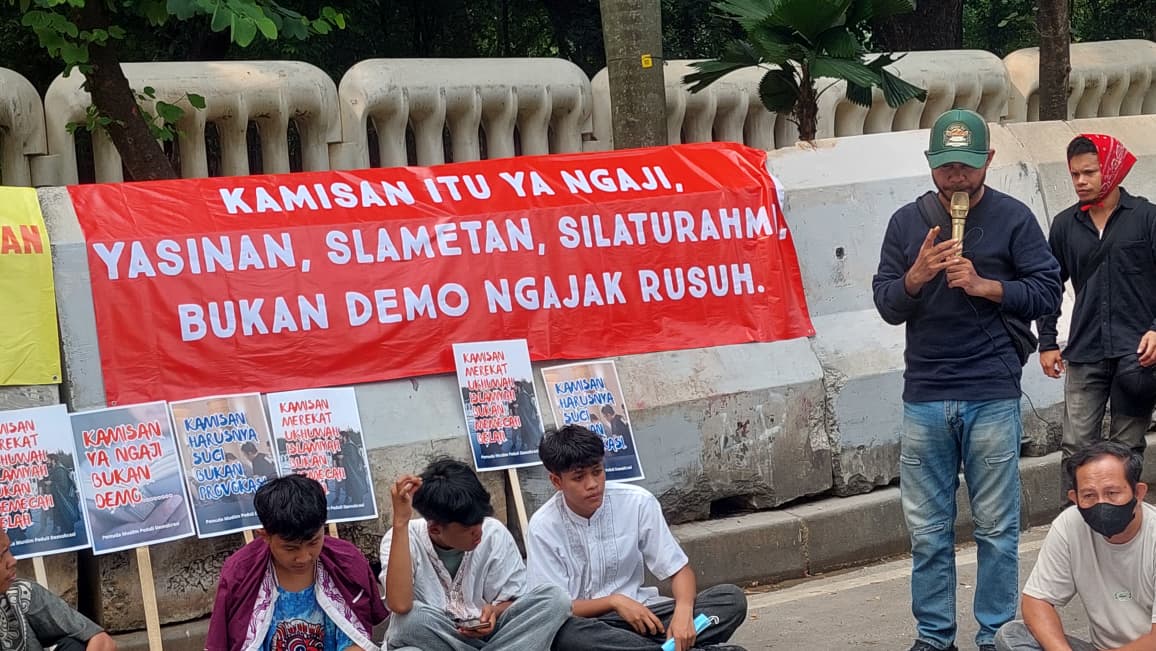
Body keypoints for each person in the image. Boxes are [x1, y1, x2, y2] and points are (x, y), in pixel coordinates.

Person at [872, 108, 1063, 651]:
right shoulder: (906, 223)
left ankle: (994, 636)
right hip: (926, 395)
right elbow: (886, 302)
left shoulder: (1014, 219)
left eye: (967, 165)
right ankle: (934, 637)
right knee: (928, 532)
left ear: (988, 161)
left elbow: (1048, 291)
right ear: (931, 164)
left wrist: (987, 286)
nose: (956, 177)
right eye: (946, 166)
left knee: (997, 529)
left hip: (991, 392)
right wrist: (915, 277)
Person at [527, 425, 748, 651]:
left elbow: (679, 570)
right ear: (556, 481)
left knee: (730, 599)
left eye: (597, 471)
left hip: (646, 617)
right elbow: (550, 609)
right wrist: (614, 601)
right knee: (565, 634)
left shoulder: (637, 502)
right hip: (589, 628)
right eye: (578, 477)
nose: (592, 484)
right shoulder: (543, 526)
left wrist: (683, 612)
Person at [1037, 134, 1156, 481]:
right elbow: (1049, 285)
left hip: (1137, 355)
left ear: (1112, 169)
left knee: (1127, 449)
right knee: (1075, 448)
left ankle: (1124, 513)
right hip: (1085, 350)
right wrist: (1046, 342)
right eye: (1075, 174)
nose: (1080, 181)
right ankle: (1072, 514)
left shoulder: (1147, 217)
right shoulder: (1064, 225)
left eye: (1089, 172)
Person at [380, 458, 570, 651]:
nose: (478, 531)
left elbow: (516, 601)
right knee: (409, 621)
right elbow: (400, 606)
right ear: (435, 529)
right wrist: (400, 522)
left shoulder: (493, 533)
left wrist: (494, 611)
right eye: (468, 528)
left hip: (492, 637)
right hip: (434, 641)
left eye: (480, 521)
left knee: (555, 598)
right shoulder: (402, 537)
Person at [994, 441, 1156, 650]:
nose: (1101, 503)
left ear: (1138, 493)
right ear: (1075, 498)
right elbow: (1036, 602)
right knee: (1012, 635)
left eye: (1112, 493)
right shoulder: (1070, 525)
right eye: (1089, 495)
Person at [205, 474, 387, 651]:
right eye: (290, 548)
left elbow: (356, 639)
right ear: (265, 536)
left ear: (323, 528)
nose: (304, 557)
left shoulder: (347, 562)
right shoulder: (240, 572)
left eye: (313, 542)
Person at [0, 529, 117, 651]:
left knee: (74, 645)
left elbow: (103, 641)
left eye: (8, 549)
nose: (12, 561)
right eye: (1, 556)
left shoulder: (23, 595)